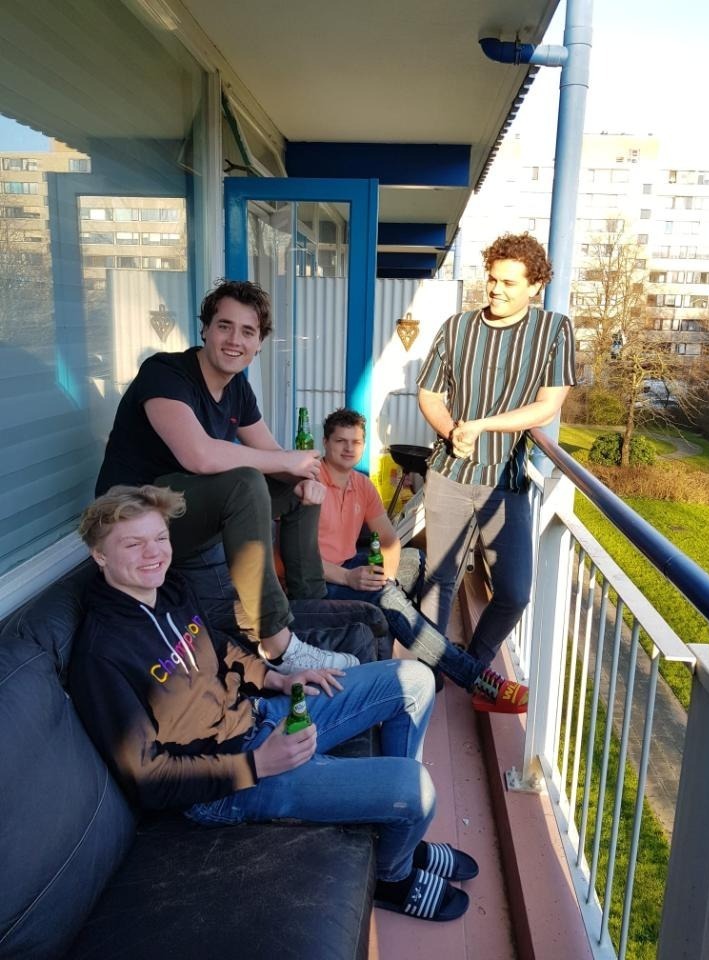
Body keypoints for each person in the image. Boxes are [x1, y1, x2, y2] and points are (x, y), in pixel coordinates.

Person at [69, 485, 479, 923]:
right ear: (100, 555)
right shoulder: (101, 654)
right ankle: (393, 874)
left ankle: (396, 826)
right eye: (133, 544)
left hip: (260, 716)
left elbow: (218, 644)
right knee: (414, 788)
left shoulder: (170, 589)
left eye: (160, 537)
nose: (154, 553)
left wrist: (277, 677)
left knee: (413, 681)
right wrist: (258, 764)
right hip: (224, 786)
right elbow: (148, 777)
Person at [95, 279, 357, 675]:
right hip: (132, 514)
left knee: (296, 486)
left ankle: (307, 603)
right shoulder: (164, 373)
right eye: (224, 326)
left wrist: (302, 477)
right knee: (245, 483)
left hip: (181, 510)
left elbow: (275, 457)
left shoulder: (238, 389)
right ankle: (277, 644)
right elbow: (199, 455)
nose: (235, 340)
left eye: (248, 331)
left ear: (259, 343)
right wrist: (286, 461)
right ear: (205, 329)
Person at [416, 233, 576, 702]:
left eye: (509, 282)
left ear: (535, 286)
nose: (495, 289)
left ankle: (472, 666)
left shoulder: (554, 330)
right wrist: (452, 431)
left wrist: (482, 425)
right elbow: (429, 394)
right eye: (492, 278)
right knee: (439, 582)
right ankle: (427, 676)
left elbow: (548, 405)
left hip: (506, 480)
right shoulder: (457, 327)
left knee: (514, 591)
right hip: (449, 473)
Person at [317, 408, 529, 713]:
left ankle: (425, 645)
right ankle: (479, 679)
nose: (349, 448)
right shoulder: (310, 482)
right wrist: (352, 578)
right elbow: (292, 561)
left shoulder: (361, 485)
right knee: (387, 596)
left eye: (356, 442)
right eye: (341, 441)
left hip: (350, 565)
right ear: (325, 442)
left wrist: (389, 576)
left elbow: (389, 539)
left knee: (414, 559)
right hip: (320, 580)